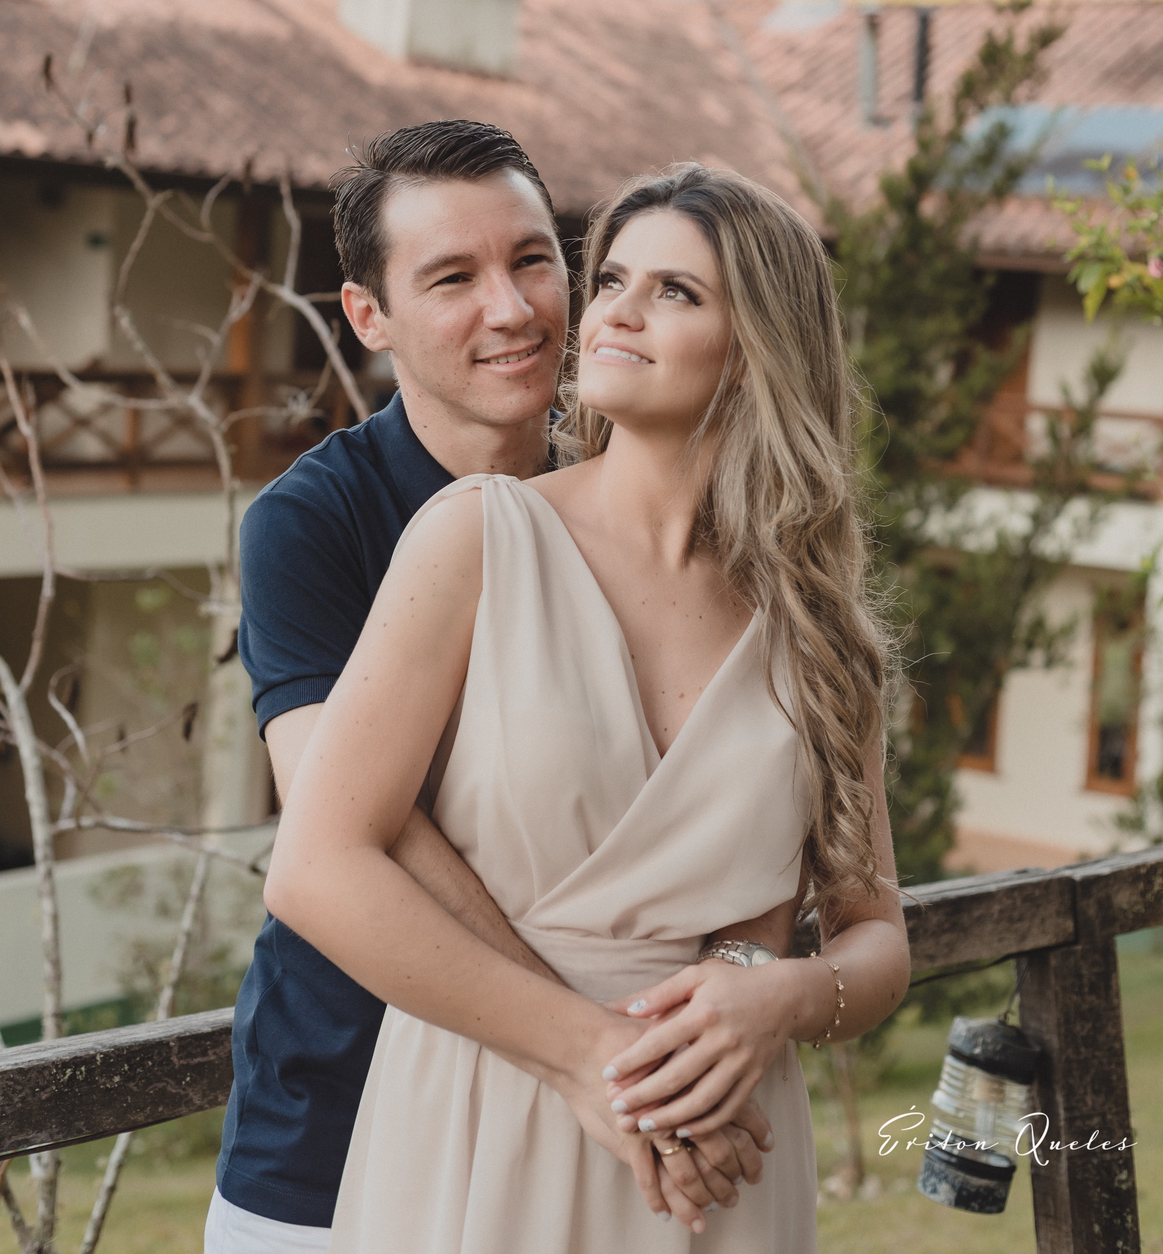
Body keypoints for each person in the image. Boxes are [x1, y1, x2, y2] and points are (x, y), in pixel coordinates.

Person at [266, 162, 912, 1251]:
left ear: (758, 346)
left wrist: (779, 998)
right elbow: (317, 867)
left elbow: (876, 934)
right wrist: (595, 1058)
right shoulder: (478, 538)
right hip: (488, 1114)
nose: (614, 310)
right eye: (611, 278)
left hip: (726, 1142)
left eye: (676, 291)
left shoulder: (819, 630)